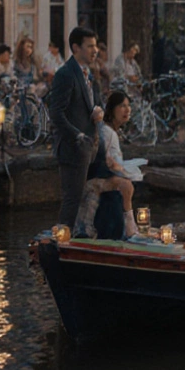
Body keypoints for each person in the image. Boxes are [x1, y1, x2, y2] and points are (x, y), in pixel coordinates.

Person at [48, 27, 105, 230]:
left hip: (90, 146)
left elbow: (94, 103)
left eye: (95, 46)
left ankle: (81, 235)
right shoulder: (65, 74)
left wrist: (99, 110)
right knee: (72, 197)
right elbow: (56, 113)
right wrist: (78, 135)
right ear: (76, 47)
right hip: (74, 147)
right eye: (90, 46)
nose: (95, 50)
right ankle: (62, 242)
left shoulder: (88, 73)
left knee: (86, 195)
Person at [75, 91, 140, 238]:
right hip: (96, 177)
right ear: (112, 109)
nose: (127, 110)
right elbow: (110, 163)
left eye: (128, 106)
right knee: (127, 186)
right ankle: (130, 228)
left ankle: (128, 227)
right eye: (122, 106)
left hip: (100, 173)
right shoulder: (107, 132)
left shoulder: (109, 132)